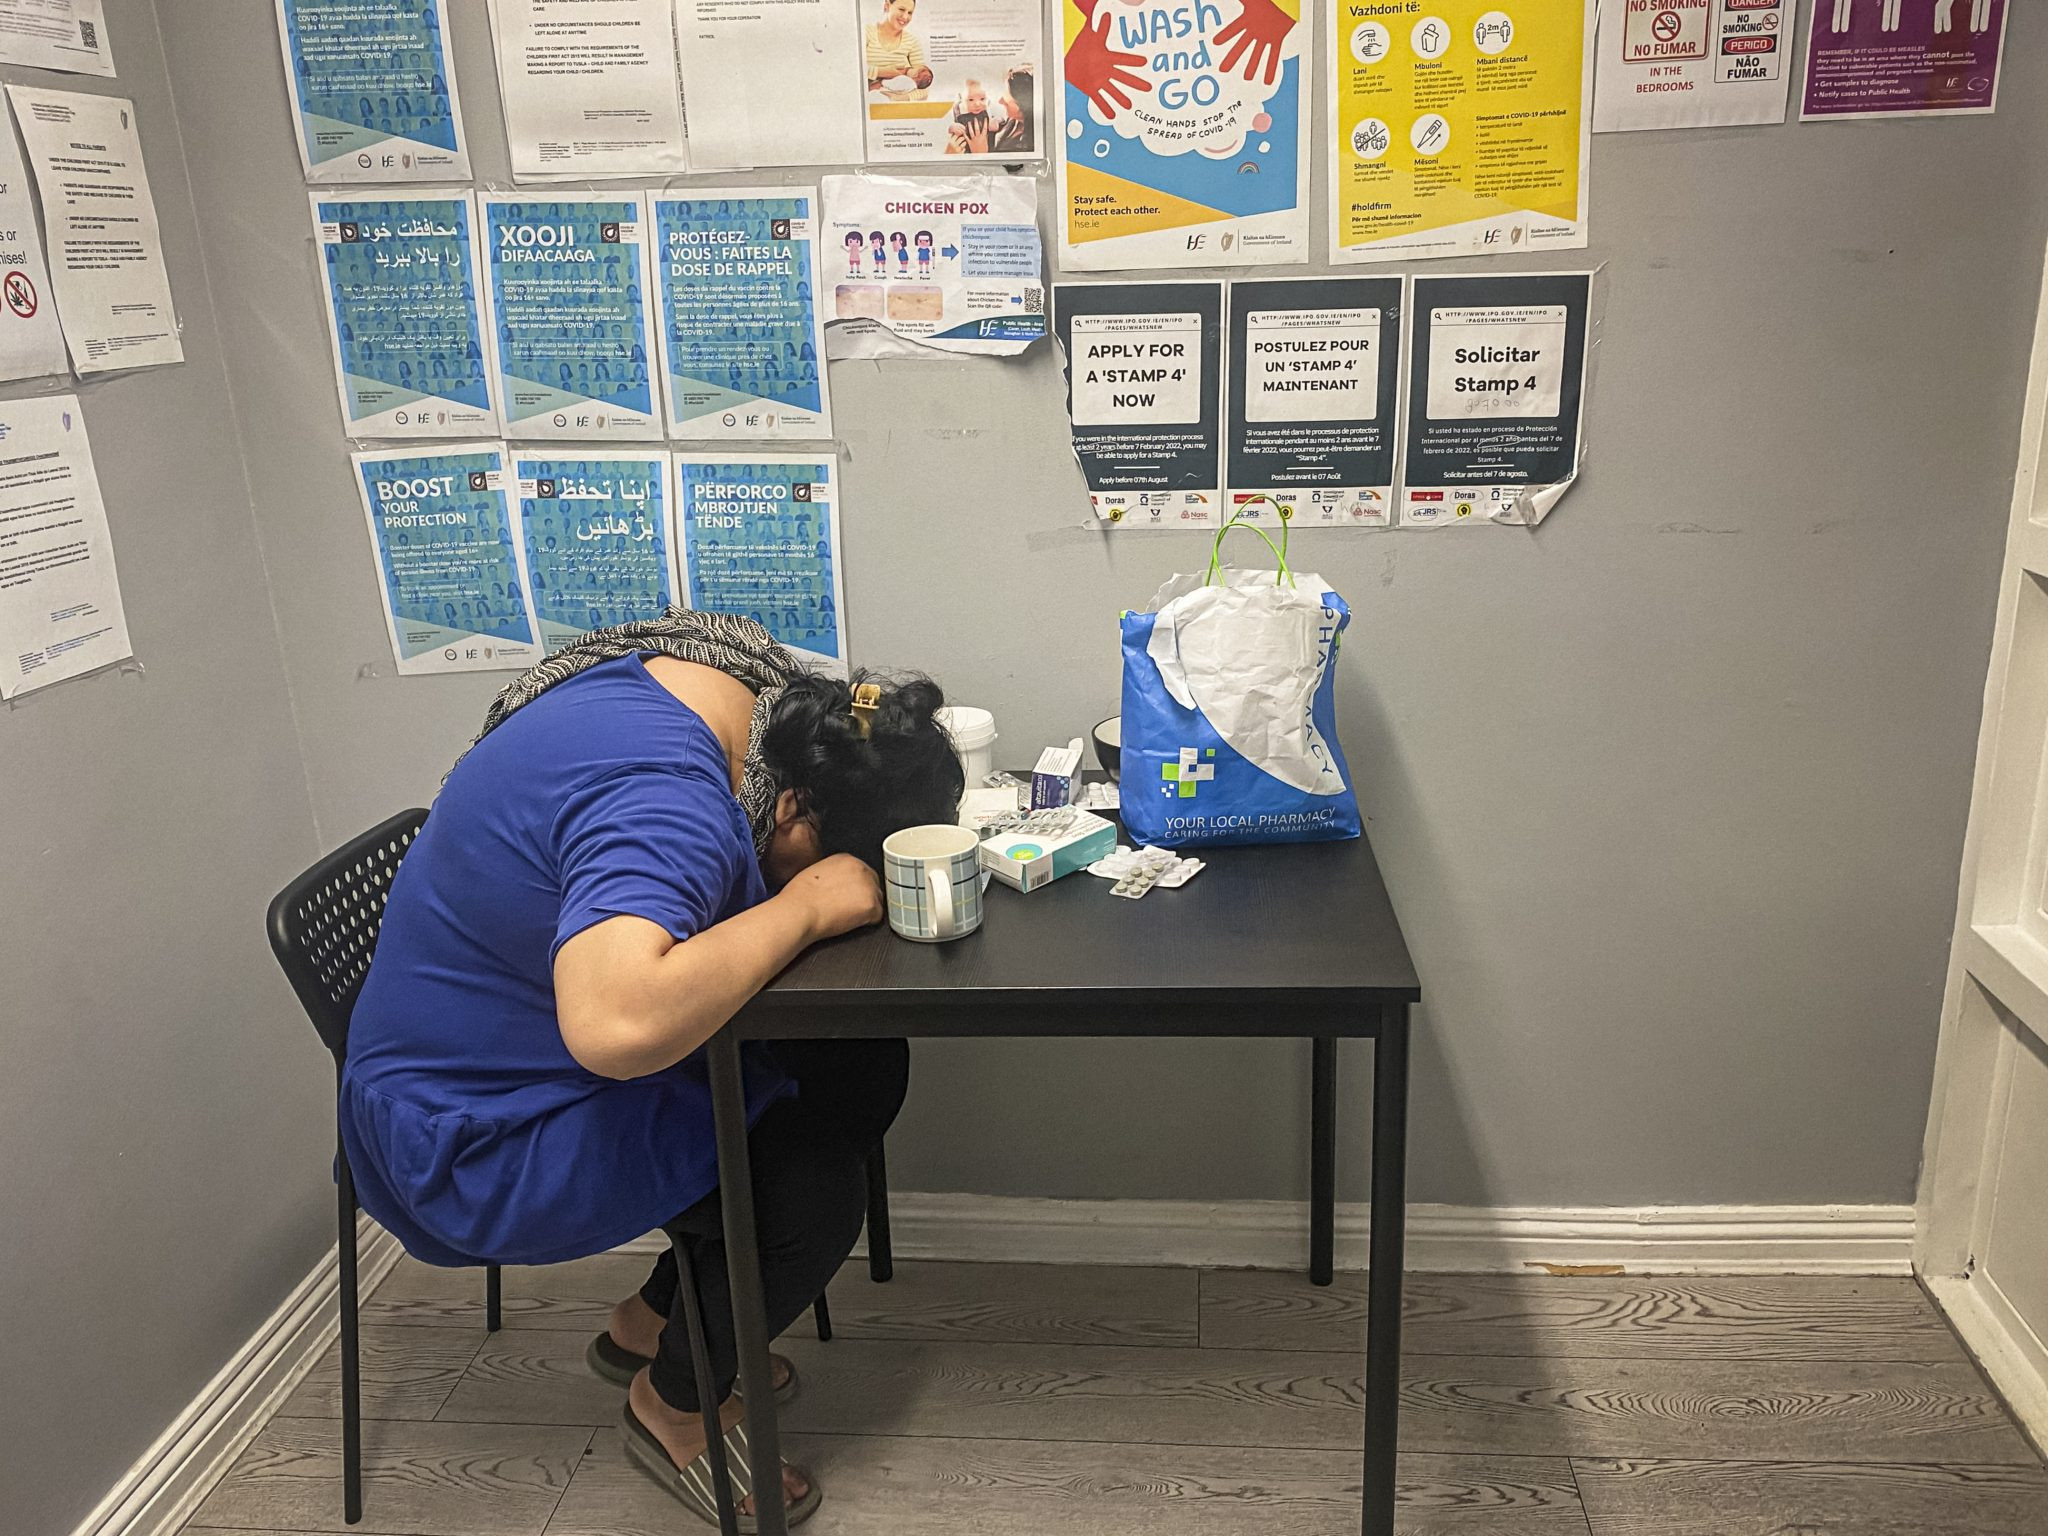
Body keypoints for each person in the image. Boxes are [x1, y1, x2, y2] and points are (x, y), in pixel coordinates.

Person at [339, 611, 963, 1527]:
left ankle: (652, 1324)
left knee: (857, 1064)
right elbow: (614, 1025)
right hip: (475, 1142)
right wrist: (805, 909)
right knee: (812, 1193)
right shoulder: (667, 800)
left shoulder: (719, 681)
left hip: (485, 1055)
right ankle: (676, 1400)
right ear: (796, 811)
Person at [864, 0, 932, 100]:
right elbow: (852, 70)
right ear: (887, 5)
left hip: (894, 105)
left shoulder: (912, 42)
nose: (905, 17)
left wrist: (900, 98)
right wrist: (882, 72)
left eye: (910, 13)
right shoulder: (867, 32)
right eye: (901, 9)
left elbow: (924, 88)